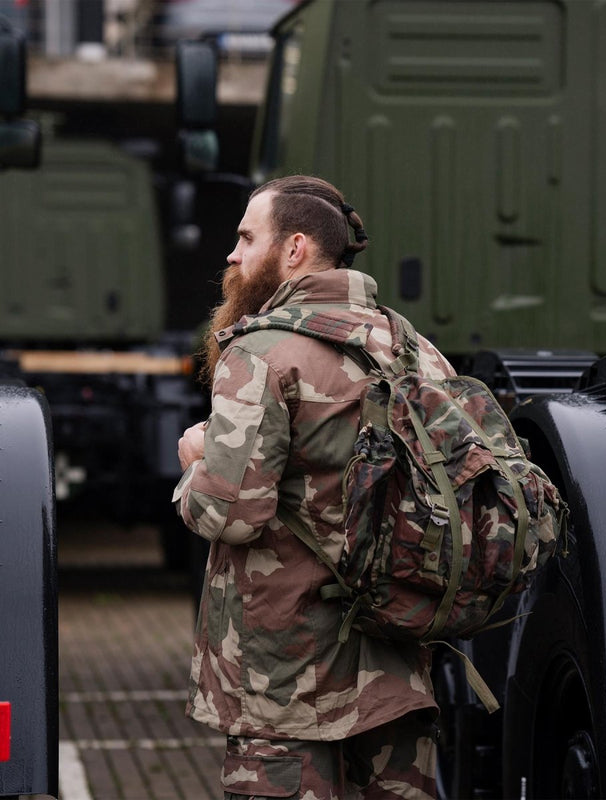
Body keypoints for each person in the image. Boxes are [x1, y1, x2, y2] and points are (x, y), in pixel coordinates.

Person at [173, 175, 456, 799]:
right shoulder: (415, 349)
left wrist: (196, 459)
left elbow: (231, 514)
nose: (233, 254)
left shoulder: (262, 351)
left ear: (294, 248)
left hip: (285, 687)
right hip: (398, 670)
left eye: (247, 237)